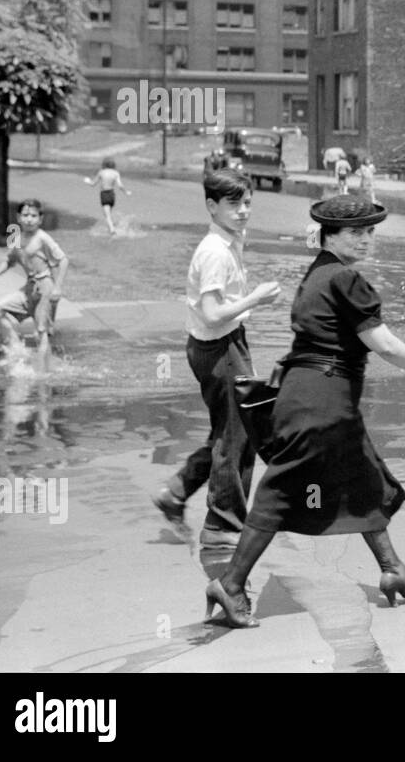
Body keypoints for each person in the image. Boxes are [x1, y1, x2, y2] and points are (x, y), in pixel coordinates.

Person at [203, 195, 405, 628]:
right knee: (282, 489)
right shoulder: (346, 280)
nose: (367, 239)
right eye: (356, 232)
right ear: (331, 235)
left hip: (312, 396)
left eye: (370, 231)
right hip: (322, 400)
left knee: (361, 475)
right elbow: (383, 343)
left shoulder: (317, 274)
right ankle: (232, 583)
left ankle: (393, 570)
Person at [151, 170, 282, 547]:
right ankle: (223, 526)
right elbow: (211, 312)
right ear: (211, 206)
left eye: (247, 203)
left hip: (225, 343)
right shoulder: (213, 252)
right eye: (233, 204)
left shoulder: (228, 239)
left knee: (231, 432)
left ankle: (176, 491)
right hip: (218, 347)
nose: (243, 211)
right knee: (237, 439)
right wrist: (256, 297)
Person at [0, 199, 68, 373]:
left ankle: (43, 373)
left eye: (34, 216)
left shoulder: (43, 238)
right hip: (28, 288)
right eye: (26, 215)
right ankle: (17, 349)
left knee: (41, 333)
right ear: (18, 217)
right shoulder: (14, 234)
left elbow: (64, 260)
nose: (29, 219)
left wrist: (58, 288)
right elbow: (10, 260)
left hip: (45, 289)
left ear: (40, 219)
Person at [84, 157, 130, 236]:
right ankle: (111, 228)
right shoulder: (116, 173)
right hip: (112, 195)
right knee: (108, 213)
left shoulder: (101, 172)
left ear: (104, 164)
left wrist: (87, 181)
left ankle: (112, 230)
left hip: (104, 194)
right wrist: (126, 192)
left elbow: (93, 184)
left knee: (107, 215)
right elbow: (120, 185)